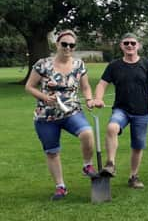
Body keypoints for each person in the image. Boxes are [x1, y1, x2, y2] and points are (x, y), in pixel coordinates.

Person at [25, 30, 98, 200]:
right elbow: (29, 86)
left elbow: (86, 87)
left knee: (87, 133)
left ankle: (87, 166)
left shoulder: (79, 65)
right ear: (57, 44)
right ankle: (60, 186)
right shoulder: (43, 64)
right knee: (52, 152)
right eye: (64, 44)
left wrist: (89, 99)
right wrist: (44, 97)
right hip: (46, 116)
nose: (67, 48)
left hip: (72, 111)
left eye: (71, 45)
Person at [93, 33, 148, 189]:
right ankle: (110, 164)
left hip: (141, 112)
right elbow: (102, 84)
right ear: (121, 46)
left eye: (132, 43)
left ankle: (133, 176)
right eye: (126, 43)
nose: (129, 45)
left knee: (137, 146)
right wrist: (98, 98)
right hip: (121, 110)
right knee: (112, 127)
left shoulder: (147, 64)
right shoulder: (114, 65)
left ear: (138, 45)